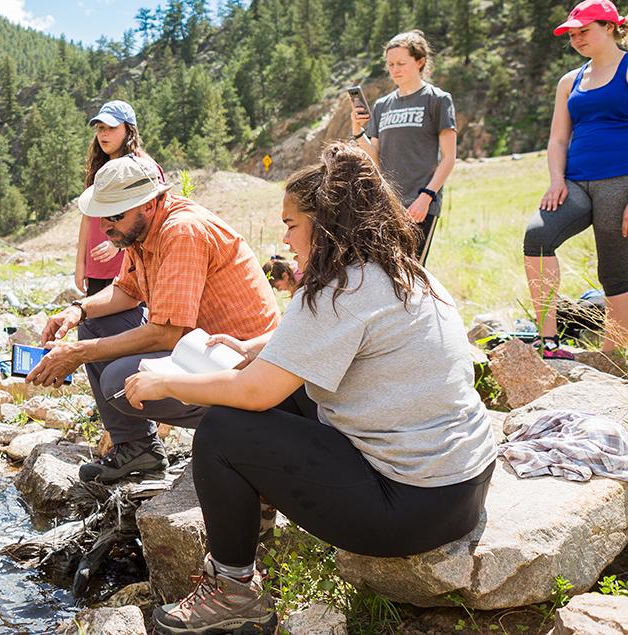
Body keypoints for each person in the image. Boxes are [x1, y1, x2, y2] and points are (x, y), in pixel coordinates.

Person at [123, 144, 495, 635]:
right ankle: (253, 530)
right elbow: (344, 338)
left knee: (221, 431)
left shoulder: (335, 290)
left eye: (291, 224)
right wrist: (261, 345)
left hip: (410, 510)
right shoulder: (406, 273)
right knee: (290, 391)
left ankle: (234, 591)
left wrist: (168, 381)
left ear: (325, 224)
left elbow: (254, 394)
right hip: (464, 488)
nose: (285, 237)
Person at [25, 155, 285, 485]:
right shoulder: (139, 231)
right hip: (200, 348)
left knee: (119, 382)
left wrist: (78, 354)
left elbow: (167, 334)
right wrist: (78, 309)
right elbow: (127, 292)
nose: (107, 227)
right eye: (103, 217)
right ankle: (138, 449)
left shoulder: (182, 232)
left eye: (115, 216)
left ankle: (237, 424)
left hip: (242, 362)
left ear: (148, 204)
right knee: (93, 324)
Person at [523, 0, 628, 360]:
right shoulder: (570, 81)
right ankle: (549, 343)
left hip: (621, 183)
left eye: (585, 30)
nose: (577, 39)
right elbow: (557, 139)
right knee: (537, 236)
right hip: (575, 183)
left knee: (614, 270)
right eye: (572, 34)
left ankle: (613, 355)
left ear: (610, 27)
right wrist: (556, 179)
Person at [352, 30, 457, 265]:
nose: (395, 69)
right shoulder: (382, 106)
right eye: (390, 64)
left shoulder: (437, 99)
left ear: (419, 62)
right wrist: (357, 129)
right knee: (385, 272)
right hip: (386, 204)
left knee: (412, 272)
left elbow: (449, 157)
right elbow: (374, 158)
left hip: (420, 204)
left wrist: (427, 196)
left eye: (401, 63)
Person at [77, 100, 161, 296]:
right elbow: (88, 216)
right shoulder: (100, 167)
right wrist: (81, 263)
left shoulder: (144, 168)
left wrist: (118, 245)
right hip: (97, 264)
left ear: (129, 130)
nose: (103, 134)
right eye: (100, 128)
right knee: (94, 324)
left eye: (112, 127)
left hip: (130, 268)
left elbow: (153, 219)